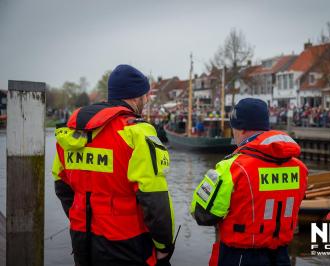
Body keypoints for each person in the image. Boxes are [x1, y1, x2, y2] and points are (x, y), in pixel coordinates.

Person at [52, 64, 175, 266]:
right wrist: (164, 246)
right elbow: (154, 198)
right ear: (136, 97)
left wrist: (82, 218)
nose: (146, 100)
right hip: (126, 242)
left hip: (82, 238)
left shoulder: (72, 133)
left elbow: (61, 184)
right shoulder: (137, 133)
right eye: (146, 96)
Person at [191, 98, 308, 266]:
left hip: (240, 256)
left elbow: (203, 215)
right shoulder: (300, 168)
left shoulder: (232, 167)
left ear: (241, 129)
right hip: (281, 255)